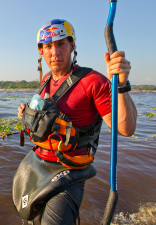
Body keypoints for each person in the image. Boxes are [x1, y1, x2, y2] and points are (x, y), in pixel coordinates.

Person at [15, 19, 137, 225]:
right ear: (41, 51)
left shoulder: (93, 81)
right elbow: (48, 119)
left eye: (61, 43)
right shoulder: (46, 80)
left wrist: (122, 85)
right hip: (39, 166)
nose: (55, 52)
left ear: (72, 45)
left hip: (68, 173)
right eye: (48, 46)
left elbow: (126, 128)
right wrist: (28, 115)